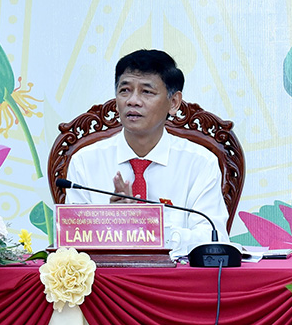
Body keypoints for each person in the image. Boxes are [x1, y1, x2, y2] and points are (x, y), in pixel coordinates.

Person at [65, 49, 228, 256]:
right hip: (106, 282)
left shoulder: (200, 163)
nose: (132, 101)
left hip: (174, 284)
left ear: (174, 102)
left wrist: (147, 228)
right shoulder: (85, 162)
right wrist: (113, 225)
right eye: (125, 90)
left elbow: (213, 238)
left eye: (147, 92)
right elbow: (70, 243)